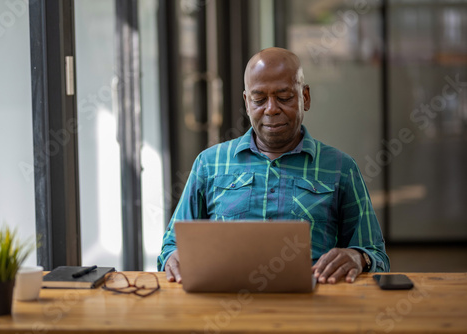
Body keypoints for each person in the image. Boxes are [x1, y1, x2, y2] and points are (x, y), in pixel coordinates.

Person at [157, 47, 390, 285]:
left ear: (305, 97)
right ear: (247, 103)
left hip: (313, 309)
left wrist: (358, 256)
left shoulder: (341, 167)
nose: (271, 109)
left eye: (284, 97)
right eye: (259, 99)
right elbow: (172, 244)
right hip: (224, 302)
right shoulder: (210, 163)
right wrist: (173, 257)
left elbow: (376, 254)